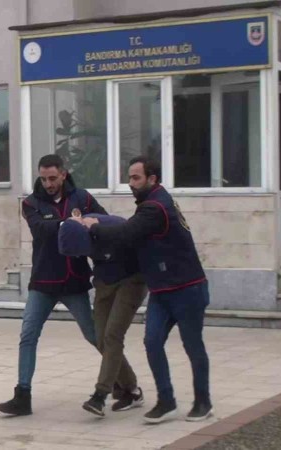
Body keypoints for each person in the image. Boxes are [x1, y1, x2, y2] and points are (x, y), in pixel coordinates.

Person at [80, 156, 213, 424]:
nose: (130, 183)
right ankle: (166, 401)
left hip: (187, 288)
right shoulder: (151, 203)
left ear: (152, 179)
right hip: (162, 290)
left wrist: (95, 226)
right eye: (129, 177)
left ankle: (203, 401)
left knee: (192, 345)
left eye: (136, 178)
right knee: (152, 342)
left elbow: (125, 234)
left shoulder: (155, 207)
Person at [0, 154, 104, 416]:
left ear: (63, 174)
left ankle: (125, 384)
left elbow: (102, 221)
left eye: (53, 178)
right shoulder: (31, 203)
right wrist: (69, 223)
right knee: (28, 335)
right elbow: (40, 229)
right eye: (43, 179)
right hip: (43, 281)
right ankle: (22, 395)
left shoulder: (82, 198)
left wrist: (91, 226)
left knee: (94, 335)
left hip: (74, 281)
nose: (48, 184)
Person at [60, 215, 149, 417]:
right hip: (105, 281)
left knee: (113, 335)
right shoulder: (73, 233)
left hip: (132, 281)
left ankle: (100, 395)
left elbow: (144, 249)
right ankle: (132, 390)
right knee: (100, 339)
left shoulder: (114, 228)